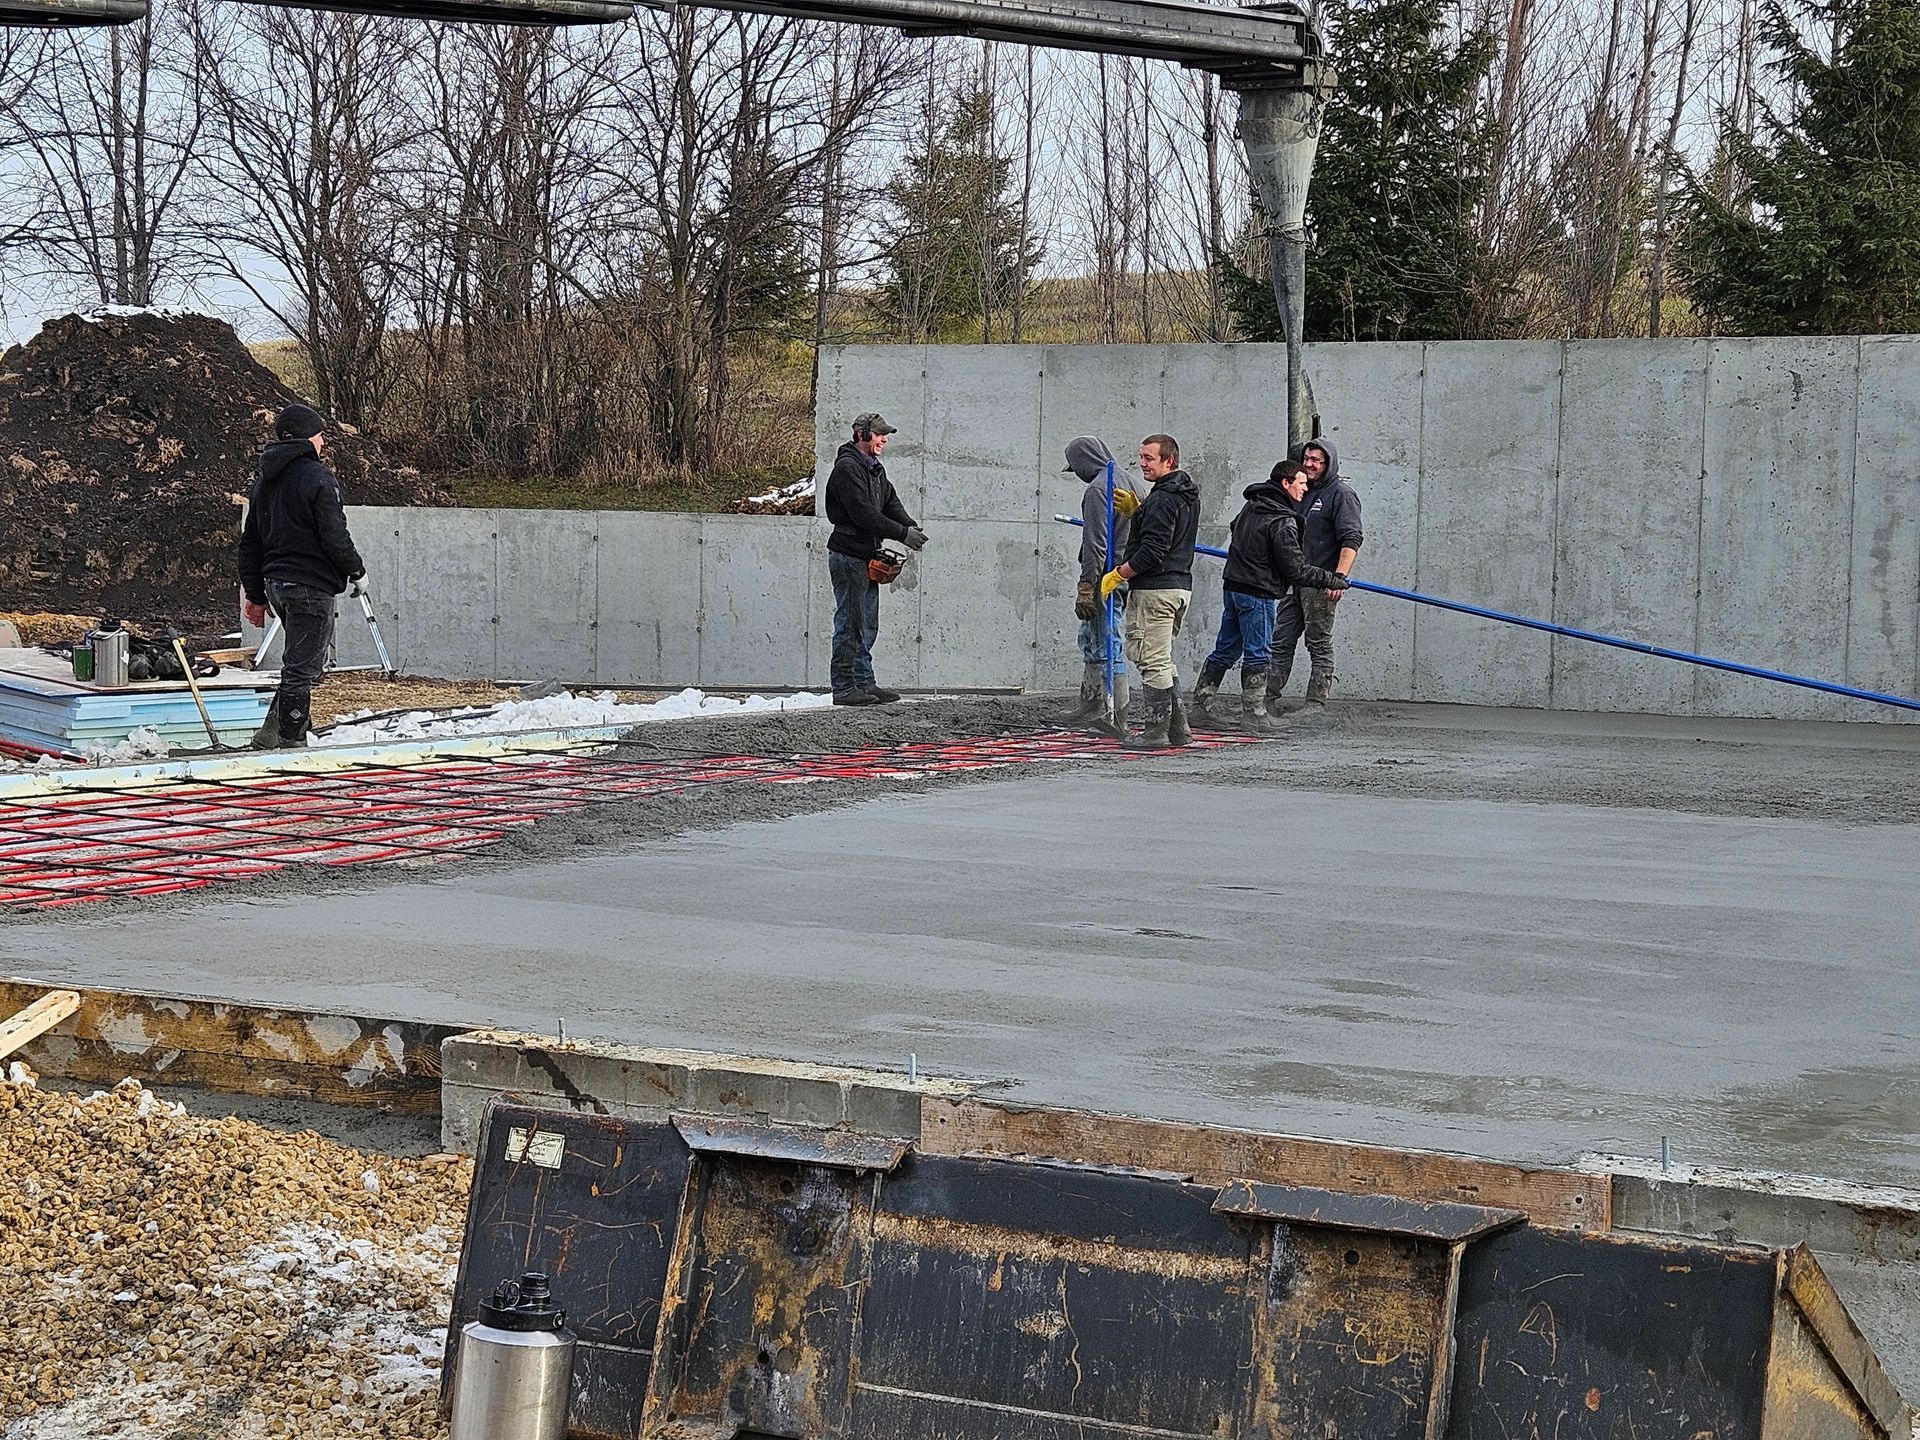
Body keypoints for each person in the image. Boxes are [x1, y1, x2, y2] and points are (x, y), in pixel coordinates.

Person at [238, 403, 366, 750]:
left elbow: (250, 542)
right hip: (310, 585)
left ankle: (270, 733)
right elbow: (334, 535)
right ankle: (292, 742)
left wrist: (256, 595)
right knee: (303, 669)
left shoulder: (264, 482)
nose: (323, 442)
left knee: (299, 661)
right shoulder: (317, 478)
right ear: (309, 437)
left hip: (277, 585)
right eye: (321, 435)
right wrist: (356, 570)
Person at [1191, 459, 1348, 731]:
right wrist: (1332, 578)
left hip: (1234, 587)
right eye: (1301, 483)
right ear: (1285, 483)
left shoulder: (1251, 506)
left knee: (1226, 649)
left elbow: (1234, 527)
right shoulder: (1282, 520)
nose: (1305, 489)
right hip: (1257, 593)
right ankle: (1255, 712)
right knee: (1258, 652)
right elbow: (1296, 569)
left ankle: (1200, 706)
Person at [1099, 434, 1199, 749]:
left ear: (1169, 460)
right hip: (1178, 588)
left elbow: (1153, 550)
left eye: (1149, 458)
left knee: (1151, 660)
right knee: (1163, 659)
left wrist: (1118, 574)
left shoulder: (1164, 499)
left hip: (1156, 590)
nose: (1142, 463)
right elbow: (1163, 527)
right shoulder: (1184, 494)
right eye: (1141, 457)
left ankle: (1156, 733)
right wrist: (1139, 511)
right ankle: (1179, 730)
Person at [824, 412, 928, 706]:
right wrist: (902, 533)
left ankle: (865, 683)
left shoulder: (873, 469)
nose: (884, 439)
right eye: (880, 434)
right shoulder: (847, 469)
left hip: (865, 555)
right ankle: (844, 687)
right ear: (861, 434)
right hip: (848, 555)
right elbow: (864, 514)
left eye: (885, 434)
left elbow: (890, 501)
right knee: (850, 622)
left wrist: (909, 526)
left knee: (867, 623)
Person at [1270, 436, 1363, 707]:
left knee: (1318, 643)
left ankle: (1316, 704)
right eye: (1306, 459)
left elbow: (1351, 539)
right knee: (1280, 641)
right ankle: (1267, 698)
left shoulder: (1341, 495)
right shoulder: (1301, 490)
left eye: (1316, 461)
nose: (1309, 465)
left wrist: (1338, 578)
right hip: (1293, 581)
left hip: (1321, 582)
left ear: (1328, 463)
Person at [1062, 436, 1135, 731]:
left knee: (1103, 640)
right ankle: (1095, 705)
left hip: (1105, 574)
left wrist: (1087, 585)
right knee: (1100, 638)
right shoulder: (1130, 482)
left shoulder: (1097, 489)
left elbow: (1095, 542)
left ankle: (1110, 711)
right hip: (1125, 572)